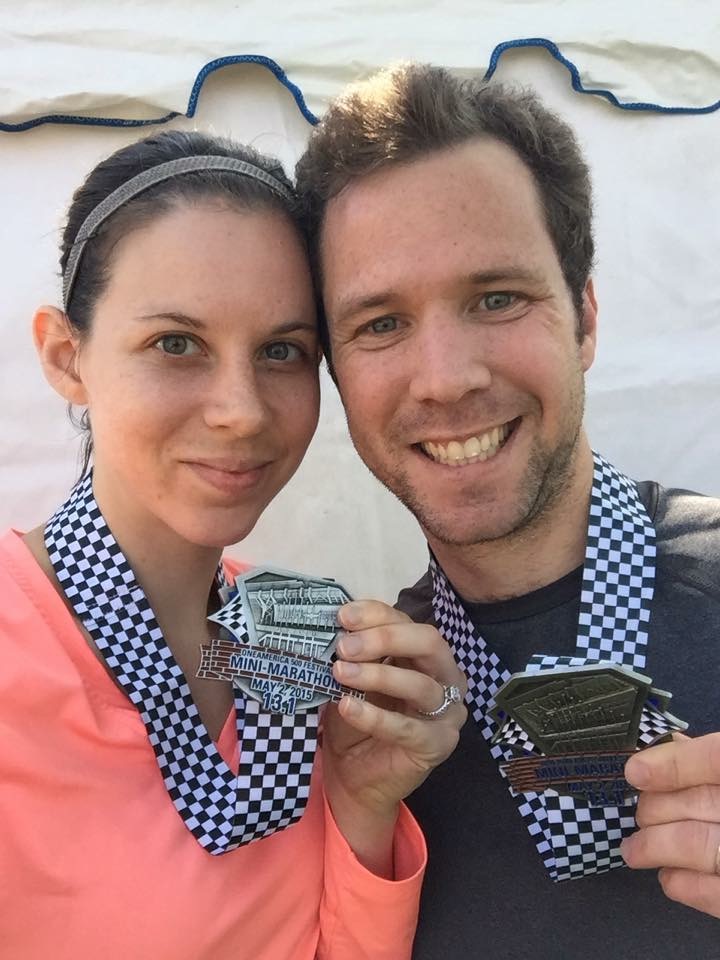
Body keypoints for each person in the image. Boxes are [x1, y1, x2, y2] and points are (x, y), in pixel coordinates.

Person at [0, 129, 466, 960]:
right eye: (176, 344)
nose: (242, 411)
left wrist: (362, 805)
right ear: (67, 357)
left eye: (282, 352)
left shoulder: (288, 631)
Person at [295, 63, 720, 958]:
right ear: (338, 375)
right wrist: (356, 824)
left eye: (497, 298)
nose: (446, 377)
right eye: (380, 323)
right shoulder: (364, 720)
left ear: (585, 319)